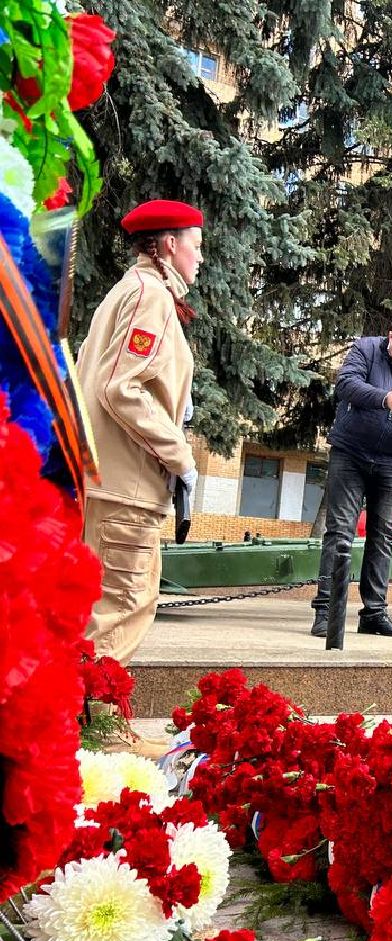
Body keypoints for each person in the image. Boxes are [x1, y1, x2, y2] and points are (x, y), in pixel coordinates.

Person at [78, 199, 204, 663]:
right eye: (196, 245)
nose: (201, 257)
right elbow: (120, 388)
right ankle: (94, 710)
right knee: (119, 614)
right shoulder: (150, 294)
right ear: (170, 244)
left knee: (113, 609)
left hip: (113, 483)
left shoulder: (131, 289)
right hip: (126, 488)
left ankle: (89, 706)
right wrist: (180, 456)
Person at [310, 316, 392, 639]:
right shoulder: (366, 349)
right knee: (339, 532)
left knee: (383, 537)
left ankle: (373, 614)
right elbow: (345, 385)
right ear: (390, 338)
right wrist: (385, 398)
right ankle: (326, 613)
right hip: (350, 454)